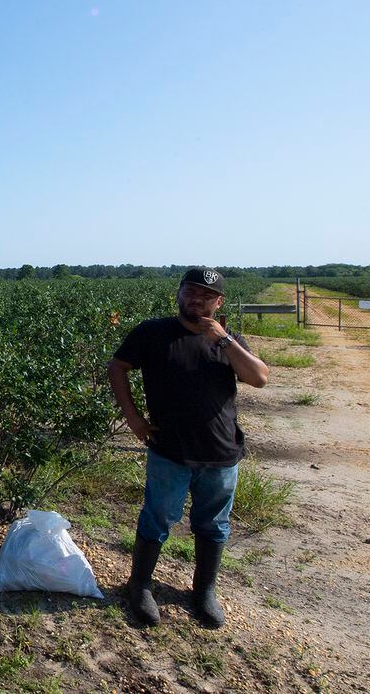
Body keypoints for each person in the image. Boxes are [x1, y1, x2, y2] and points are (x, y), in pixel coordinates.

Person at [108, 267, 269, 628]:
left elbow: (258, 378)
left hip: (221, 453)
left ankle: (204, 591)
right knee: (158, 518)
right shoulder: (153, 333)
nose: (197, 299)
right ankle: (140, 585)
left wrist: (224, 339)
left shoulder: (228, 339)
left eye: (206, 295)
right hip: (170, 450)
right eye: (190, 291)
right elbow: (117, 367)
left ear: (219, 301)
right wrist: (133, 418)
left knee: (214, 524)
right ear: (178, 293)